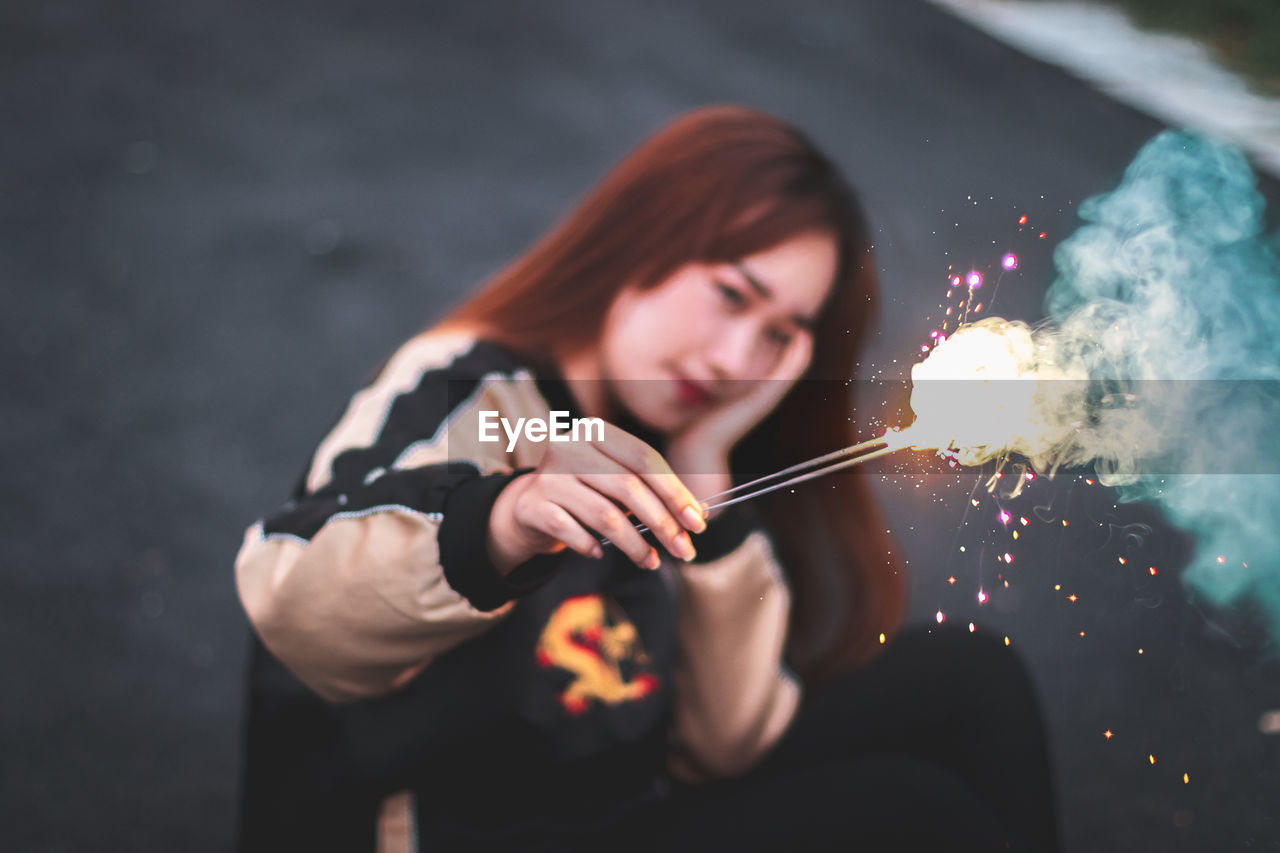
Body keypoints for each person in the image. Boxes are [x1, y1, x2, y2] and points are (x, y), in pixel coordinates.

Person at [233, 105, 1060, 852]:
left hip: (592, 799)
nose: (738, 360)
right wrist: (502, 519)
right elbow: (292, 604)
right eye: (732, 296)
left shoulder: (676, 431)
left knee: (969, 678)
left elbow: (723, 744)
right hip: (444, 829)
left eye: (780, 334)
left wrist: (712, 486)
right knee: (912, 811)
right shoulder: (484, 398)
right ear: (644, 246)